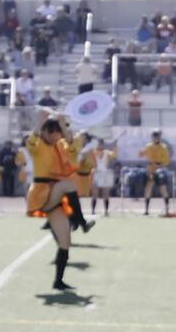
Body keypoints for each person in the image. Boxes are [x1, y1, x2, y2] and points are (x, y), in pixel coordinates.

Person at [24, 113, 94, 292]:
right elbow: (30, 142)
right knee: (68, 184)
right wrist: (39, 124)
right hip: (41, 193)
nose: (57, 136)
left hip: (55, 196)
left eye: (58, 133)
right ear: (45, 132)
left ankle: (58, 281)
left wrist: (63, 124)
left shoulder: (60, 145)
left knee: (65, 241)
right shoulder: (39, 146)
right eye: (53, 132)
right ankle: (81, 221)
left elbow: (73, 145)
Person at [139, 128, 173, 216]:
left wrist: (160, 165)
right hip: (151, 169)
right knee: (148, 188)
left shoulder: (163, 147)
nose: (155, 138)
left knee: (163, 188)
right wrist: (141, 152)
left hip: (160, 168)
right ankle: (146, 210)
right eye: (154, 136)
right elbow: (141, 155)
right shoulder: (148, 146)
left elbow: (167, 160)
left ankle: (167, 209)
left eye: (157, 136)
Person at [91, 137, 117, 214]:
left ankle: (106, 210)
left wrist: (115, 145)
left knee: (106, 193)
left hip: (105, 173)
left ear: (103, 144)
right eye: (98, 143)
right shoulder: (93, 152)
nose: (100, 145)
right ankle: (93, 210)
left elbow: (114, 155)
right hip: (96, 173)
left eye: (101, 143)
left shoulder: (106, 152)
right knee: (95, 193)